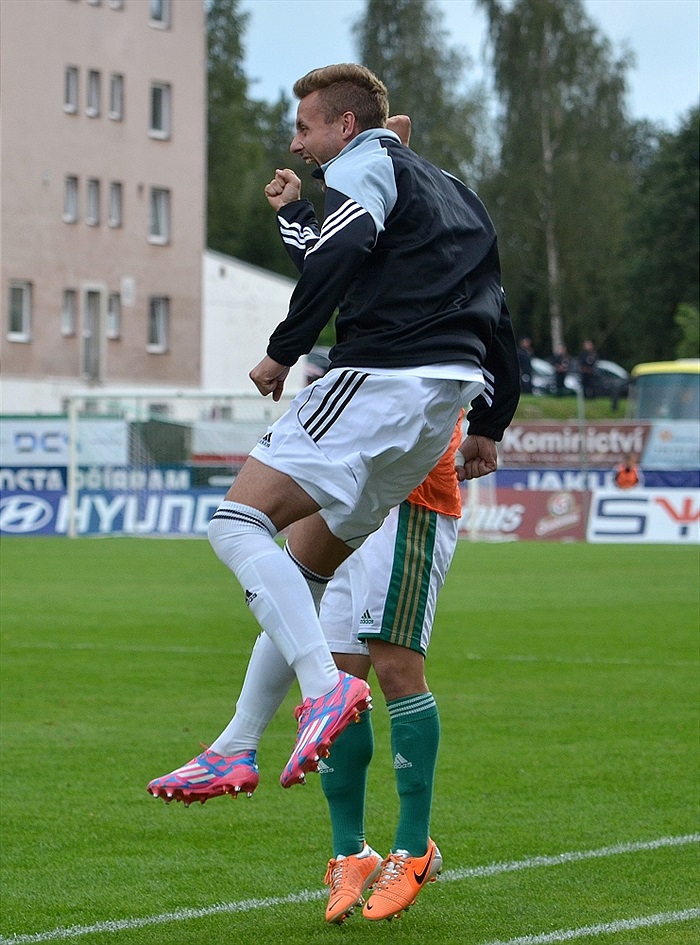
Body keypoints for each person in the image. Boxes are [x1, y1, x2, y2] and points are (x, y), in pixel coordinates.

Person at [149, 61, 520, 908]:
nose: (297, 143)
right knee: (310, 562)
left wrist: (283, 348)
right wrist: (493, 421)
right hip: (437, 408)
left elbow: (345, 248)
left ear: (345, 128)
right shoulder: (457, 191)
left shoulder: (363, 164)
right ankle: (239, 741)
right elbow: (490, 311)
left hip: (380, 379)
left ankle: (324, 692)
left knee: (235, 522)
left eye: (306, 129)